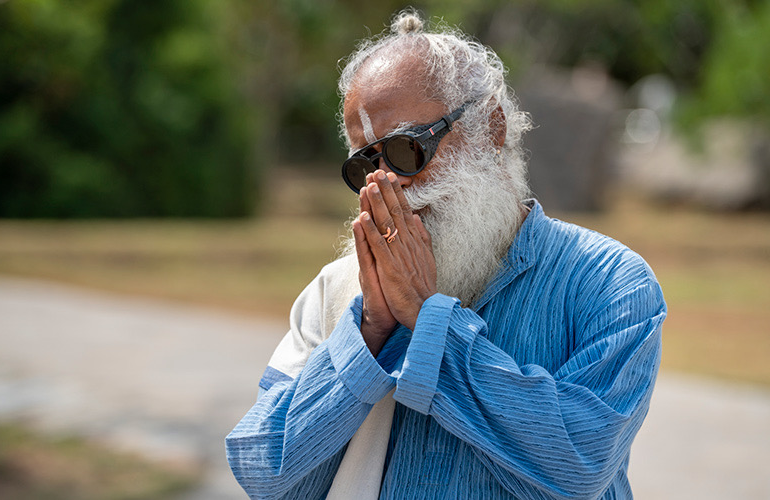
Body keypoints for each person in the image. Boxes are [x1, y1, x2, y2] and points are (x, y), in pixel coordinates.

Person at [226, 10, 666, 500]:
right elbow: (265, 474)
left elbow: (580, 464)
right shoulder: (337, 292)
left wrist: (429, 321)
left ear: (491, 129)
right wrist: (371, 332)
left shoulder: (609, 282)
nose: (390, 184)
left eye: (408, 149)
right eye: (365, 163)